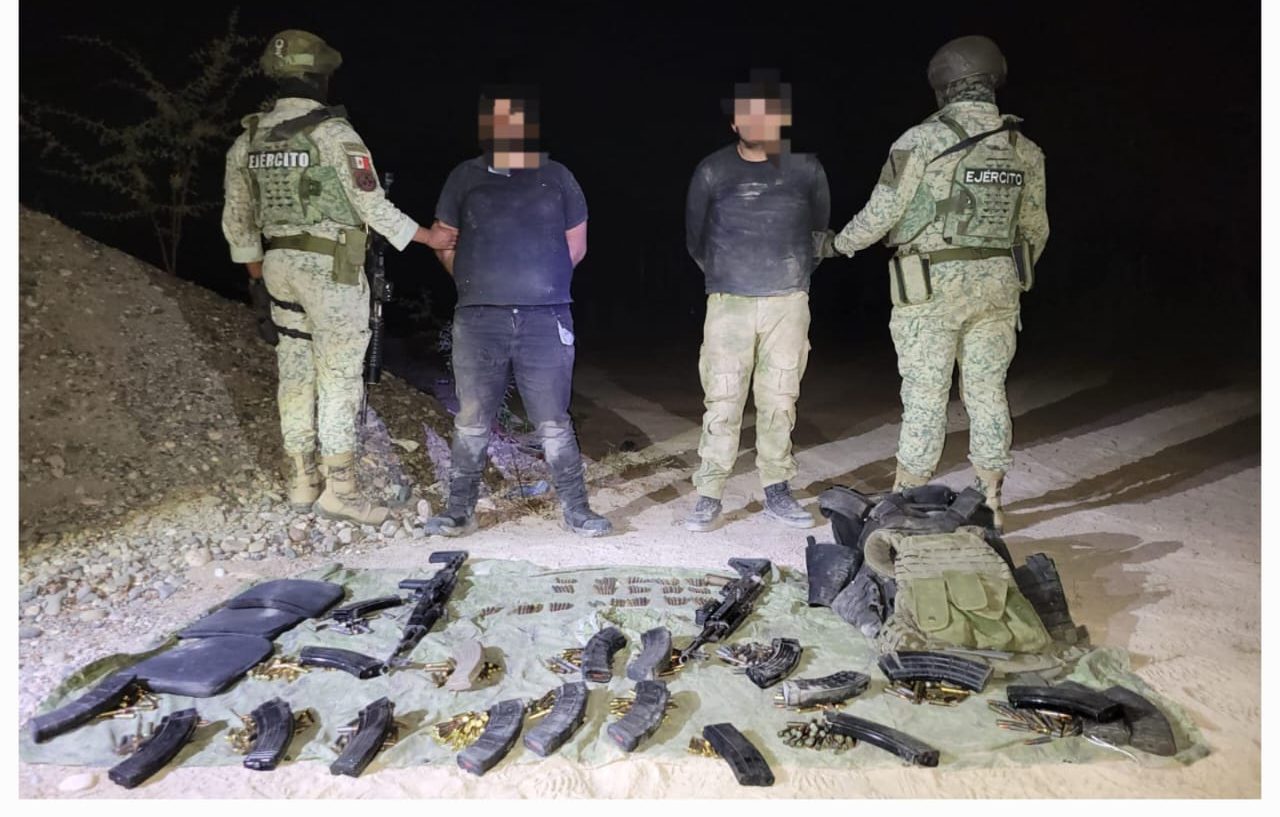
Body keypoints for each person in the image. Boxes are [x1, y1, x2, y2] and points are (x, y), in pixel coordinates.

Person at [221, 29, 455, 525]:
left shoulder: (249, 140)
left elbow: (238, 223)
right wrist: (429, 238)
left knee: (295, 373)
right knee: (339, 376)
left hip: (277, 268)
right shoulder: (332, 134)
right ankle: (341, 491)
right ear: (320, 77)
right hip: (331, 270)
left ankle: (301, 480)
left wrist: (258, 281)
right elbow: (372, 206)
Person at [832, 35, 1050, 529]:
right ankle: (991, 500)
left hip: (931, 287)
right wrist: (1004, 273)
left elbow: (882, 213)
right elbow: (1036, 230)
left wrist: (839, 244)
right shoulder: (1024, 148)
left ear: (944, 86)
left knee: (926, 393)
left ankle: (906, 499)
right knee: (988, 391)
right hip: (999, 288)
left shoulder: (921, 140)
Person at [425, 87, 611, 538]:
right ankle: (459, 511)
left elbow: (576, 246)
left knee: (553, 421)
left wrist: (536, 283)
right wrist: (475, 283)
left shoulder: (557, 176)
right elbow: (443, 240)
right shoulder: (465, 176)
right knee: (472, 419)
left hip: (545, 319)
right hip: (479, 319)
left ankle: (576, 509)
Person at [683, 70, 832, 532]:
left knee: (780, 398)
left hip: (788, 300)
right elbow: (695, 239)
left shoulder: (806, 169)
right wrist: (729, 276)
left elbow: (818, 233)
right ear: (734, 123)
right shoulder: (712, 170)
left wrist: (792, 276)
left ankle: (777, 489)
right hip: (729, 300)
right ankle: (709, 492)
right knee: (722, 398)